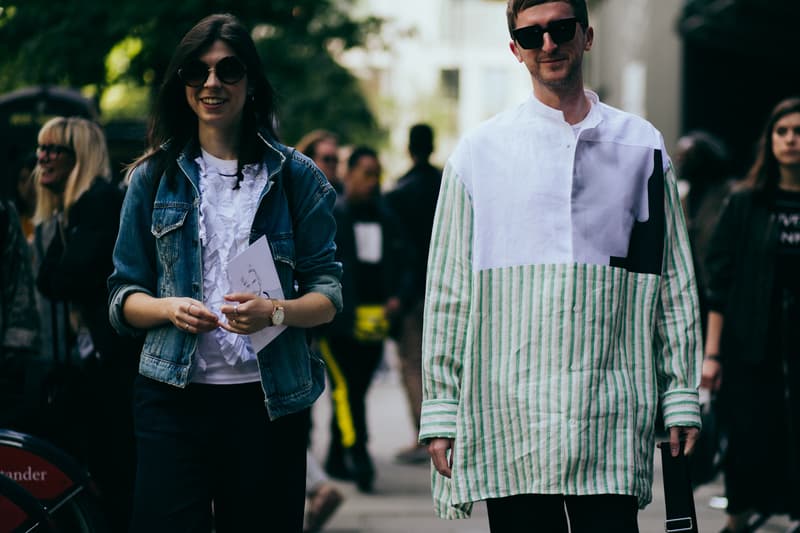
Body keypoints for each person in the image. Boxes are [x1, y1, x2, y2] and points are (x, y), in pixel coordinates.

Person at [420, 1, 702, 531]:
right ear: (515, 50)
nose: (548, 44)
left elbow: (673, 282)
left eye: (560, 28)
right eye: (531, 35)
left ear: (587, 36)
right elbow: (449, 289)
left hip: (610, 410)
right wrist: (441, 407)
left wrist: (680, 393)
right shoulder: (480, 152)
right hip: (511, 413)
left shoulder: (640, 146)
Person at [107, 13, 342, 533]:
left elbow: (329, 292)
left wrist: (274, 311)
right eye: (198, 71)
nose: (212, 83)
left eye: (228, 70)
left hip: (268, 402)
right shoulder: (152, 177)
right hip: (172, 398)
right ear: (183, 84)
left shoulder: (296, 178)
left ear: (251, 82)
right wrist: (168, 308)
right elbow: (122, 296)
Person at [32, 116, 139, 531]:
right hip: (103, 363)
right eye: (40, 149)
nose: (42, 158)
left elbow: (59, 280)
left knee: (117, 476)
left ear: (81, 156)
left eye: (53, 149)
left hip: (118, 364)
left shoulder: (97, 203)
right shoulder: (76, 209)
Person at [703, 96, 800, 532]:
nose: (791, 140)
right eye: (782, 132)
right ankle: (739, 517)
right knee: (747, 435)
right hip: (751, 343)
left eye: (799, 132)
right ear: (770, 140)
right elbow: (719, 283)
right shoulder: (745, 203)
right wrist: (712, 355)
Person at [319, 146, 412, 493]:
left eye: (377, 174)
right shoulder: (334, 214)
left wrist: (397, 299)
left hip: (375, 324)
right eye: (366, 173)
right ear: (350, 173)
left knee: (356, 390)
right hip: (338, 323)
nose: (372, 181)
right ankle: (359, 454)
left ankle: (336, 457)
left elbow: (405, 261)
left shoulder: (386, 217)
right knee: (346, 391)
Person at [384, 123, 442, 464]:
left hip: (411, 292)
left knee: (412, 362)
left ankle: (424, 434)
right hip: (445, 285)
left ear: (409, 147)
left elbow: (396, 249)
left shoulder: (399, 193)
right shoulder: (446, 183)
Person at [674, 131, 735, 336]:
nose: (680, 161)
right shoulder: (682, 196)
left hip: (724, 291)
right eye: (679, 156)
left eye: (687, 156)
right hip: (692, 290)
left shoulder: (732, 194)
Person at [296, 129, 343, 194]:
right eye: (327, 159)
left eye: (335, 159)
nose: (332, 165)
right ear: (309, 160)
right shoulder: (295, 192)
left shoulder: (342, 194)